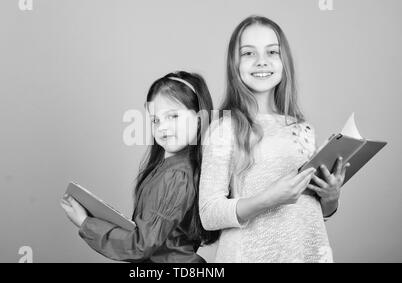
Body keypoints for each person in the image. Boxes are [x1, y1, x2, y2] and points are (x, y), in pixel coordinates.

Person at [198, 15, 350, 263]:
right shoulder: (224, 128)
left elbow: (310, 211)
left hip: (303, 254)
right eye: (248, 53)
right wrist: (267, 199)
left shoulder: (303, 129)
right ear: (234, 63)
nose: (261, 62)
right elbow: (209, 213)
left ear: (284, 61)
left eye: (272, 52)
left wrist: (331, 196)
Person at [61, 71, 218, 262]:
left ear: (199, 118)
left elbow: (141, 245)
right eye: (155, 120)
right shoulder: (169, 168)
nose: (162, 127)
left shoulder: (178, 174)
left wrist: (85, 223)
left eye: (173, 116)